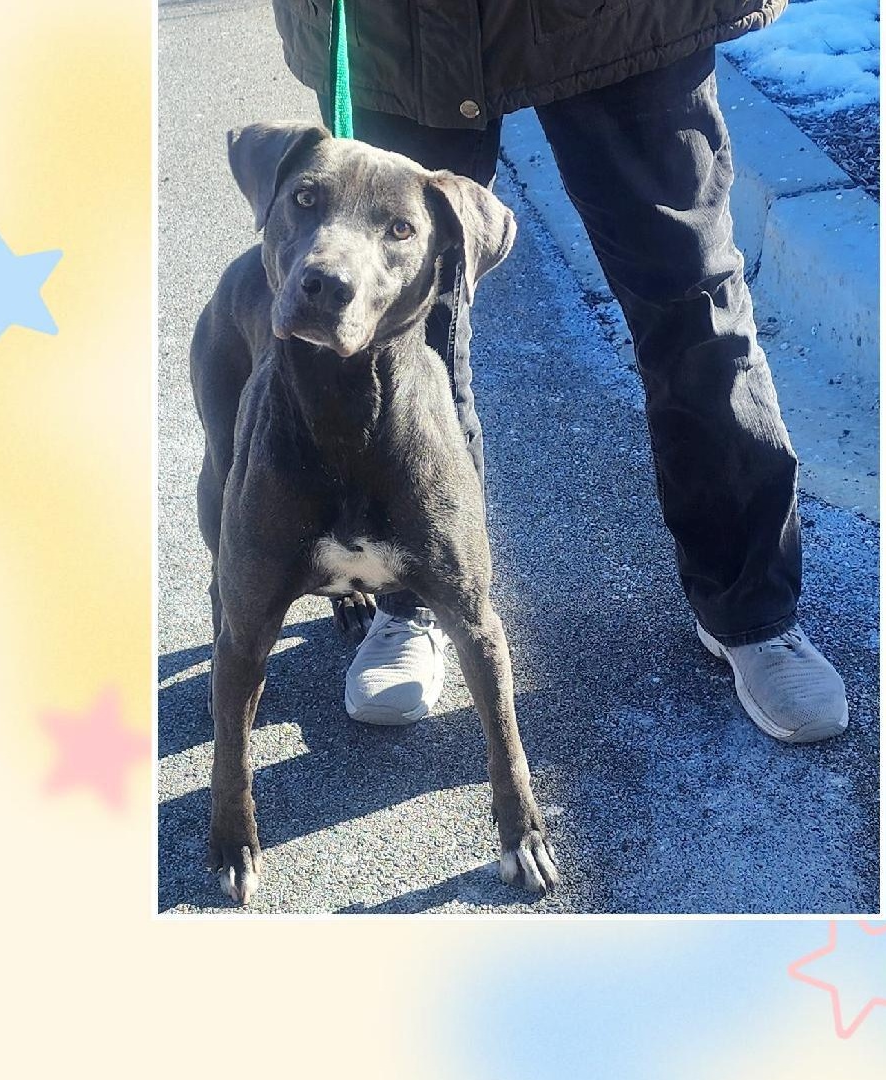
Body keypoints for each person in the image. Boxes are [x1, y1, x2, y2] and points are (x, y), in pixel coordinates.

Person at [268, 0, 849, 742]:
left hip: (627, 18)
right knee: (395, 333)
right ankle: (411, 596)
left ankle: (752, 609)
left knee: (692, 303)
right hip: (398, 22)